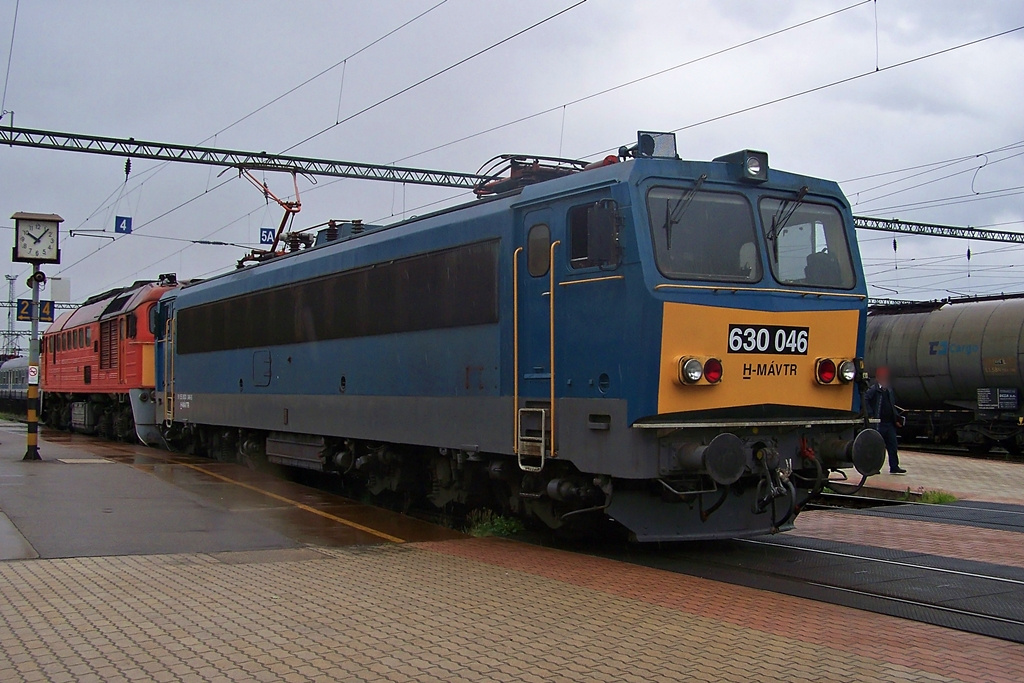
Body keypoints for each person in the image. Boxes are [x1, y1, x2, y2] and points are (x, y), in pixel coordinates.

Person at [865, 366, 906, 474]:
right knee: (877, 447)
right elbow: (865, 399)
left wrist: (897, 418)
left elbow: (891, 406)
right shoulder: (874, 390)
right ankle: (874, 467)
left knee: (893, 446)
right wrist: (870, 414)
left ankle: (894, 466)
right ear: (878, 378)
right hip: (879, 423)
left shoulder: (889, 390)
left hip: (889, 424)